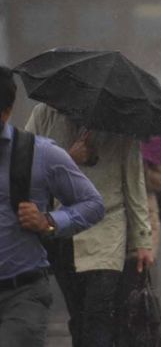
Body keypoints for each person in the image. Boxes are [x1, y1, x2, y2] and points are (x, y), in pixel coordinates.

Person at [25, 103, 154, 347]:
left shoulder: (122, 122)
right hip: (62, 229)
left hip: (107, 231)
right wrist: (67, 158)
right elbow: (27, 166)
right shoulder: (45, 115)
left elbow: (134, 183)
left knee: (99, 313)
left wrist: (142, 240)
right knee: (79, 315)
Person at [0, 66, 105, 347]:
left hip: (21, 294)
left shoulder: (40, 153)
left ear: (6, 111)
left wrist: (49, 221)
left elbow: (93, 204)